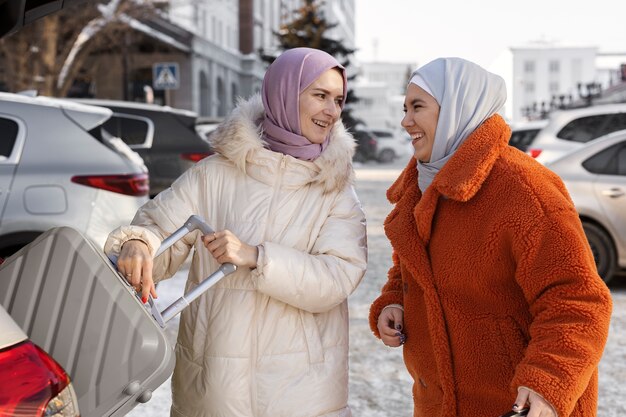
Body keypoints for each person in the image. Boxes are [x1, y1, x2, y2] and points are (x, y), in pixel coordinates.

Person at [105, 47, 367, 417]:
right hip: (213, 387)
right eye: (320, 95)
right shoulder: (215, 173)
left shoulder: (335, 189)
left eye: (338, 100)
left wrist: (258, 257)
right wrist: (138, 243)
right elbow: (158, 226)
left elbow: (337, 279)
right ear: (284, 93)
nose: (331, 110)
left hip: (300, 393)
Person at [369, 57, 612, 417]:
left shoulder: (522, 189)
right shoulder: (422, 187)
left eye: (417, 107)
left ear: (457, 109)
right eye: (405, 108)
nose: (406, 121)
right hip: (440, 404)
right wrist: (395, 301)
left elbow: (578, 300)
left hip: (517, 405)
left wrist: (547, 381)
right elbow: (412, 265)